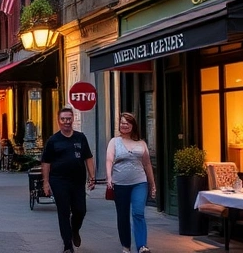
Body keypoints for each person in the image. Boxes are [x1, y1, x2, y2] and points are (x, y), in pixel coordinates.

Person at [41, 107, 95, 253]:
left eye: (69, 119)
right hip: (59, 181)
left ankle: (75, 230)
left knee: (80, 210)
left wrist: (92, 176)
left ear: (73, 120)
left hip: (78, 181)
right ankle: (67, 245)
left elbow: (88, 157)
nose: (66, 122)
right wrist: (46, 183)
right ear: (59, 121)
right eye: (63, 119)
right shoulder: (53, 140)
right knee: (63, 212)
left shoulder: (80, 137)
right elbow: (46, 162)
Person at [106, 112, 157, 253]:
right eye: (122, 123)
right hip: (120, 184)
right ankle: (126, 246)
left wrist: (152, 184)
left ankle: (142, 246)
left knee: (138, 212)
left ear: (133, 125)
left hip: (139, 183)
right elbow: (109, 160)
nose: (125, 125)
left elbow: (147, 164)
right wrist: (109, 177)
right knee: (122, 216)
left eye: (128, 123)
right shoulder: (114, 142)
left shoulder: (141, 143)